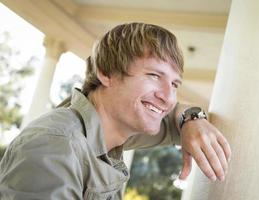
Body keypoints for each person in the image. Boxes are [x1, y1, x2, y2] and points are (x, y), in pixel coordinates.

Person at [0, 23, 231, 200]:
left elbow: (173, 117)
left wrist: (192, 118)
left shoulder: (113, 127)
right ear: (106, 73)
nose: (168, 97)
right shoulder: (55, 145)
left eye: (174, 84)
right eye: (153, 75)